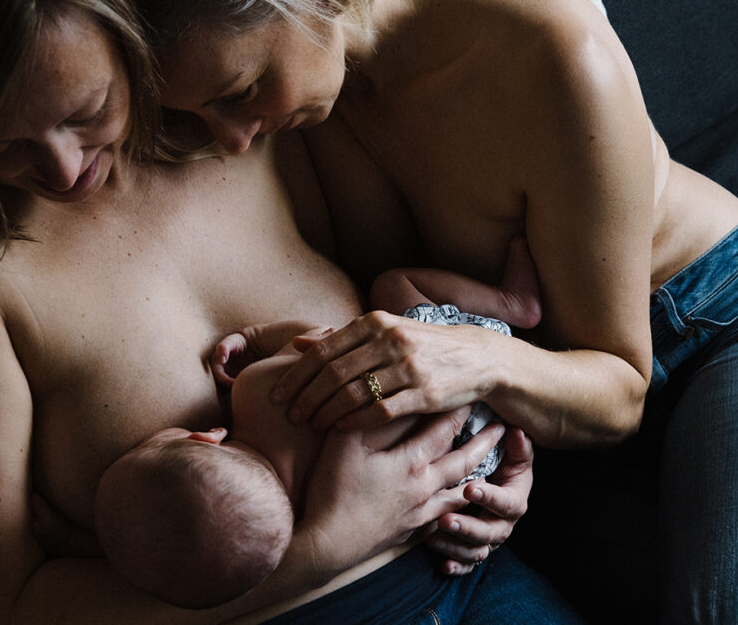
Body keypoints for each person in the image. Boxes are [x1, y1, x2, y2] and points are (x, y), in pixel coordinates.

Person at [0, 0, 588, 623]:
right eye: (4, 146)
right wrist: (322, 551)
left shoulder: (239, 113)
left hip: (472, 572)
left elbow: (416, 322)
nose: (61, 171)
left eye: (86, 113)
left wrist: (479, 452)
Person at [132, 0, 738, 623]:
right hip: (552, 413)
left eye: (240, 90)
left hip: (722, 313)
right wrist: (484, 467)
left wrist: (479, 361)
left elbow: (620, 388)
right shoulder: (305, 103)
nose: (229, 139)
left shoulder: (547, 50)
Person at [98, 244, 540, 609]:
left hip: (480, 455)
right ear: (205, 435)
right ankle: (510, 305)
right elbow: (329, 340)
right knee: (391, 287)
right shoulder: (255, 392)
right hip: (455, 353)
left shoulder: (314, 514)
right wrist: (254, 338)